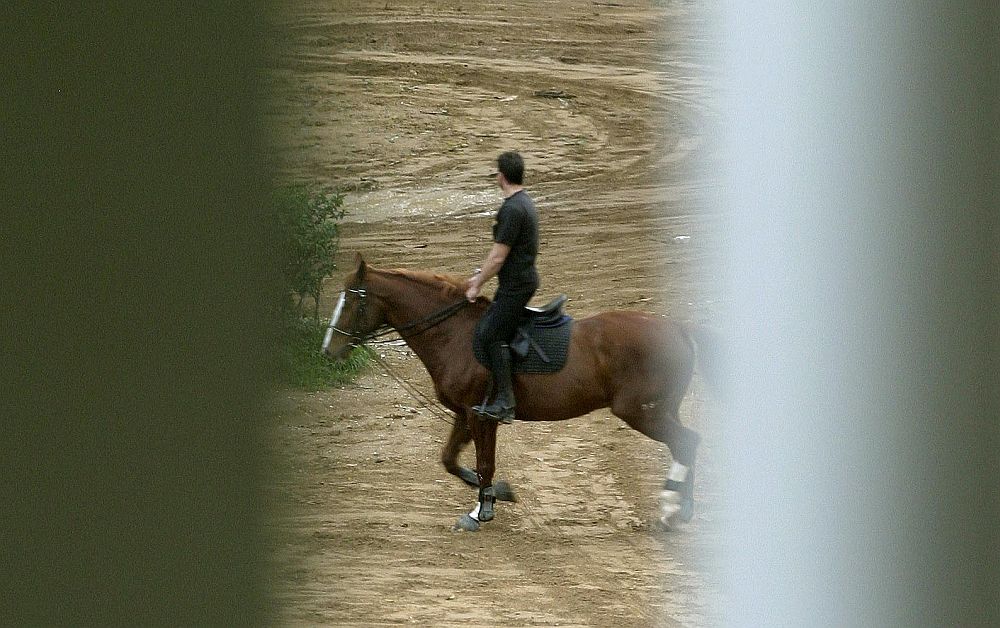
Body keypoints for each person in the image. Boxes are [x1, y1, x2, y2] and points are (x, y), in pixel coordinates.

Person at [465, 151, 539, 423]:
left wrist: (475, 287)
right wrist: (479, 276)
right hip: (519, 281)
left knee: (490, 333)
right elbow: (499, 257)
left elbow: (498, 257)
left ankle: (505, 402)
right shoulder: (524, 202)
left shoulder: (511, 209)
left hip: (516, 287)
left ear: (501, 176)